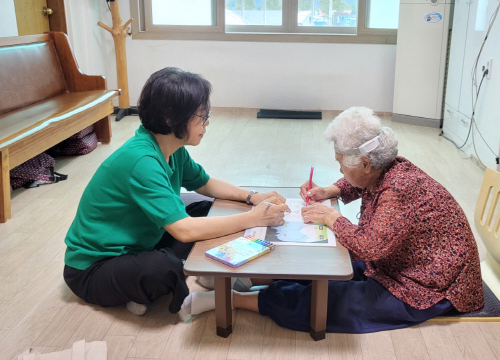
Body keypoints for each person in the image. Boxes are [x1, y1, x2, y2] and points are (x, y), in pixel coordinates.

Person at [180, 106, 484, 333]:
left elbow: (369, 248)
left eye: (341, 165)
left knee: (330, 298)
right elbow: (364, 183)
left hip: (429, 286)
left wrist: (331, 216)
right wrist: (332, 189)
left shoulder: (399, 188)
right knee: (322, 267)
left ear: (364, 162)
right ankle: (241, 279)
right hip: (401, 263)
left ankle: (230, 299)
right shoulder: (386, 168)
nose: (340, 172)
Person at [63, 68, 288, 316]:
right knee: (163, 267)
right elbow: (183, 230)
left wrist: (251, 197)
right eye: (201, 117)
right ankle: (140, 289)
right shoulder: (142, 161)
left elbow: (203, 182)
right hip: (95, 267)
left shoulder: (170, 146)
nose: (207, 123)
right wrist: (253, 218)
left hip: (142, 241)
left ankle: (163, 279)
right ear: (171, 119)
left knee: (208, 209)